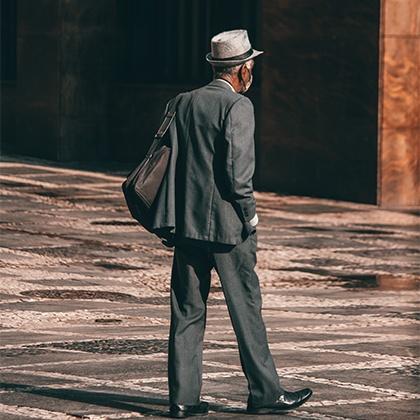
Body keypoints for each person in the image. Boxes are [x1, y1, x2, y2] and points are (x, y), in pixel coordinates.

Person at [161, 30, 312, 418]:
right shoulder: (237, 107)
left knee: (187, 310)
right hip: (228, 229)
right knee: (246, 309)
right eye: (252, 66)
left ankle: (183, 399)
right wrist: (251, 215)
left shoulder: (184, 102)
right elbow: (237, 174)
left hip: (188, 225)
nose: (253, 72)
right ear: (242, 69)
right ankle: (264, 392)